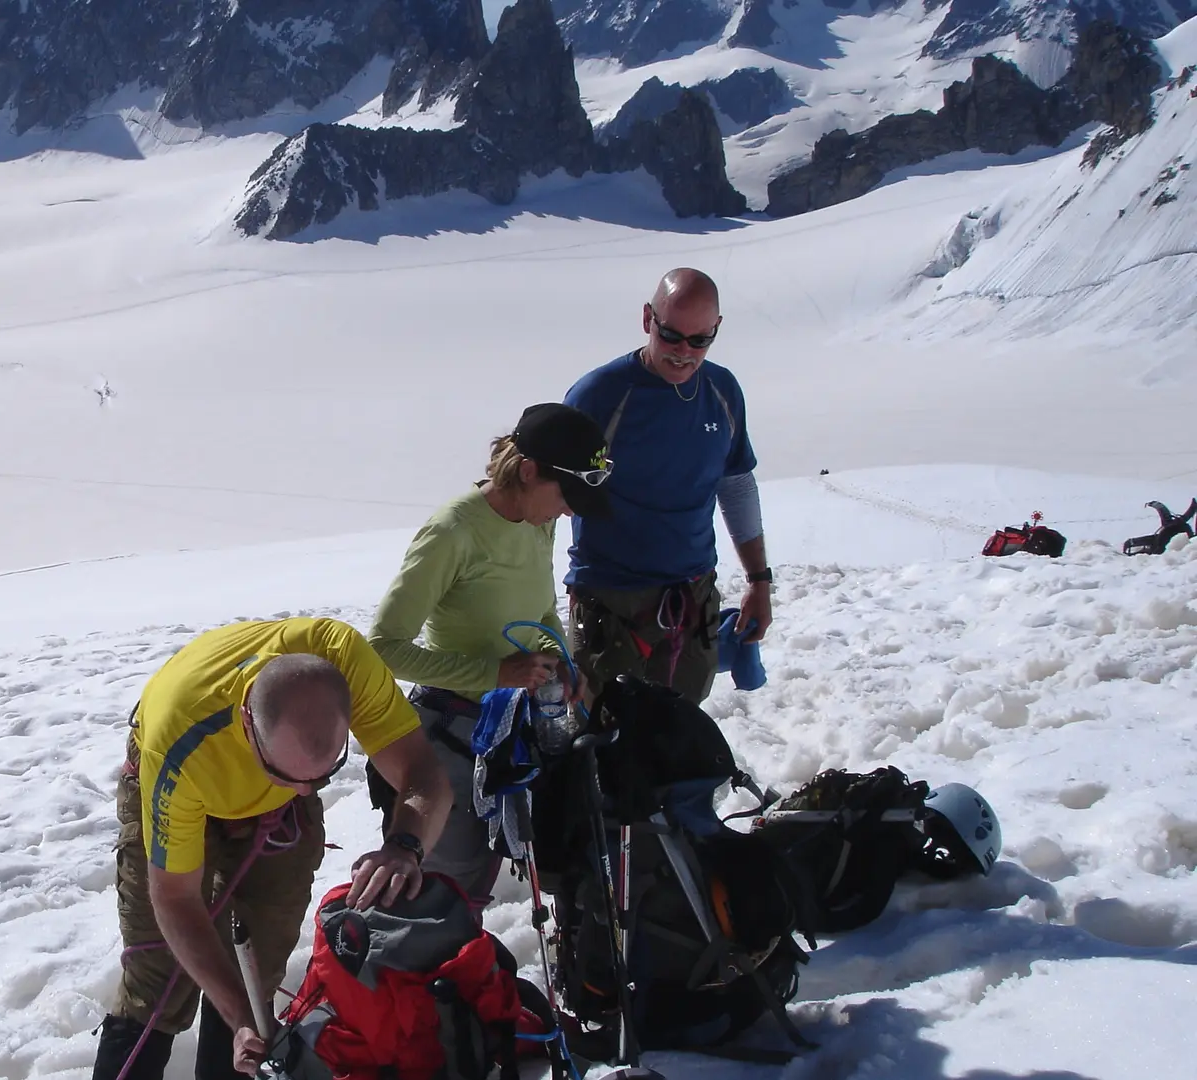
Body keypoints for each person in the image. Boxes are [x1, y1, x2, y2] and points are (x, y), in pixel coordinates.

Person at [90, 617, 453, 1080]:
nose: (306, 793)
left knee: (256, 966)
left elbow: (424, 773)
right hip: (179, 780)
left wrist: (405, 846)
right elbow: (175, 900)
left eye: (323, 776)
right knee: (158, 978)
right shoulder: (180, 742)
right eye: (287, 775)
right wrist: (237, 1016)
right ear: (248, 724)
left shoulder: (344, 660)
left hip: (268, 811)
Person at [365, 403, 611, 907]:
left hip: (508, 733)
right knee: (436, 895)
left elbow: (539, 610)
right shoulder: (454, 531)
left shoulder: (536, 519)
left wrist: (559, 658)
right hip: (448, 739)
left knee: (477, 884)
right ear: (527, 471)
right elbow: (383, 647)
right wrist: (493, 672)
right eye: (566, 494)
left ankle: (465, 980)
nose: (568, 511)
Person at [562, 267, 771, 706]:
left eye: (700, 340)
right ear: (647, 320)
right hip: (610, 601)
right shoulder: (600, 397)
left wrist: (758, 582)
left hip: (692, 599)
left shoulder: (722, 391)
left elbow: (734, 485)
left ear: (716, 330)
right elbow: (550, 496)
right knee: (602, 742)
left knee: (675, 739)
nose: (684, 352)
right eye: (672, 335)